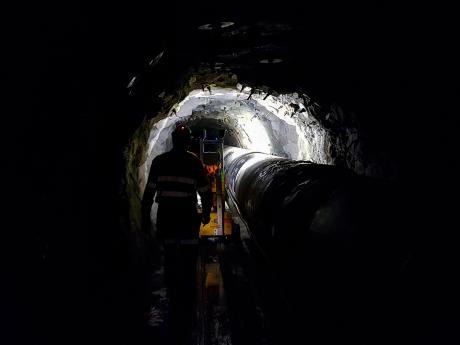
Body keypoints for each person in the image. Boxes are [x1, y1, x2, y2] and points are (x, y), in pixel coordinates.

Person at [141, 123, 212, 344]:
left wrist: (144, 218)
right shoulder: (194, 162)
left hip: (167, 217)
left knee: (171, 255)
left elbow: (149, 192)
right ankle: (188, 298)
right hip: (187, 218)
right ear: (188, 141)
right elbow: (204, 191)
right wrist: (206, 213)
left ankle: (174, 296)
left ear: (172, 140)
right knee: (190, 257)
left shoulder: (159, 162)